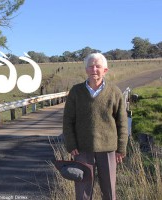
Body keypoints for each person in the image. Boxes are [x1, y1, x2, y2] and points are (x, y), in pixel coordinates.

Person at [62, 52, 128, 200]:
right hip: (82, 150)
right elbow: (68, 121)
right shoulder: (76, 91)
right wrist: (71, 144)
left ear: (105, 70)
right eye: (90, 66)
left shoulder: (115, 92)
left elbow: (122, 123)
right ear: (86, 70)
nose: (94, 70)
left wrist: (121, 148)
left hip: (109, 150)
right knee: (83, 192)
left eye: (98, 66)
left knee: (109, 191)